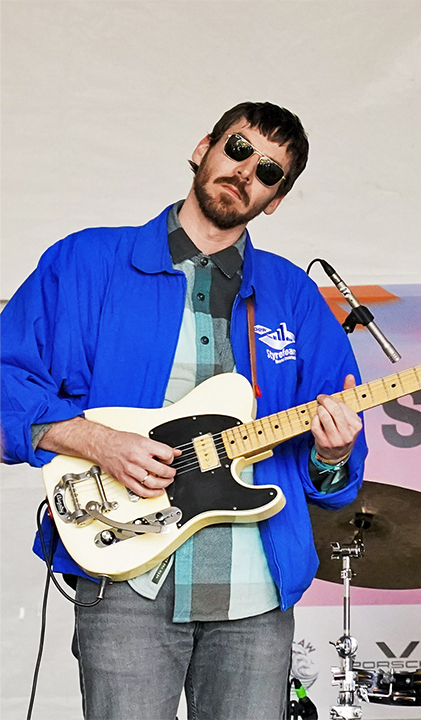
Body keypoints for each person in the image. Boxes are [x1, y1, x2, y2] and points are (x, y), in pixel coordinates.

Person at [1, 102, 367, 719]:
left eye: (270, 172)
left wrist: (333, 454)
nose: (247, 170)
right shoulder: (86, 262)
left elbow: (335, 468)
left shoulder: (294, 297)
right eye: (239, 148)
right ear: (204, 147)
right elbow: (7, 376)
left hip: (255, 591)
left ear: (274, 201)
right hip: (125, 571)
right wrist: (95, 441)